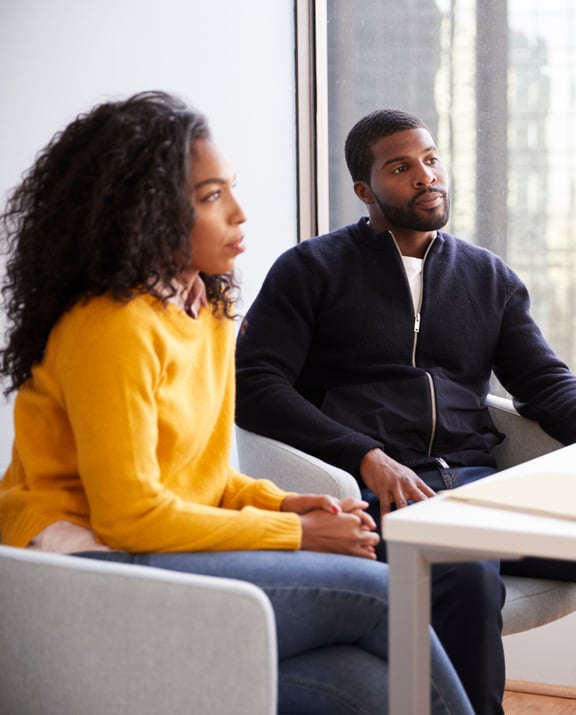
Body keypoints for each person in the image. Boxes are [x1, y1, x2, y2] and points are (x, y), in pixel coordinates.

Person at [0, 91, 473, 715]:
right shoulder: (112, 325)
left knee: (363, 685)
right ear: (145, 212)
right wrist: (296, 533)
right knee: (381, 594)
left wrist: (282, 500)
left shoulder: (206, 309)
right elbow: (129, 516)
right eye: (211, 197)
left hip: (154, 550)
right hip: (82, 571)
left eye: (231, 189)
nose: (240, 213)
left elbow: (201, 476)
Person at [234, 108, 576, 715]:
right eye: (401, 168)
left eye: (430, 159)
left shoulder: (486, 275)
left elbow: (544, 382)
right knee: (469, 571)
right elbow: (254, 385)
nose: (425, 176)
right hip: (374, 496)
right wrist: (365, 456)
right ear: (365, 191)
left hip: (481, 488)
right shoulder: (311, 269)